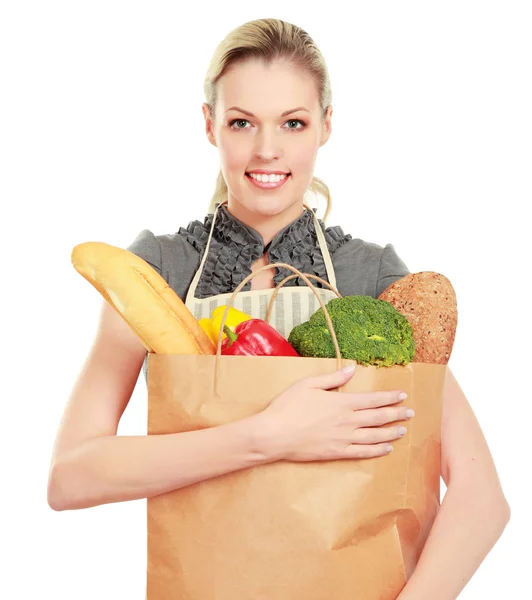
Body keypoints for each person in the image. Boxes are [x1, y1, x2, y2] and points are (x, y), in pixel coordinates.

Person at [47, 18, 510, 599]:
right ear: (210, 124)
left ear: (325, 127)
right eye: (242, 122)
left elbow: (480, 493)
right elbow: (71, 475)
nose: (268, 150)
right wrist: (269, 436)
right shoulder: (158, 270)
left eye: (293, 123)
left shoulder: (372, 278)